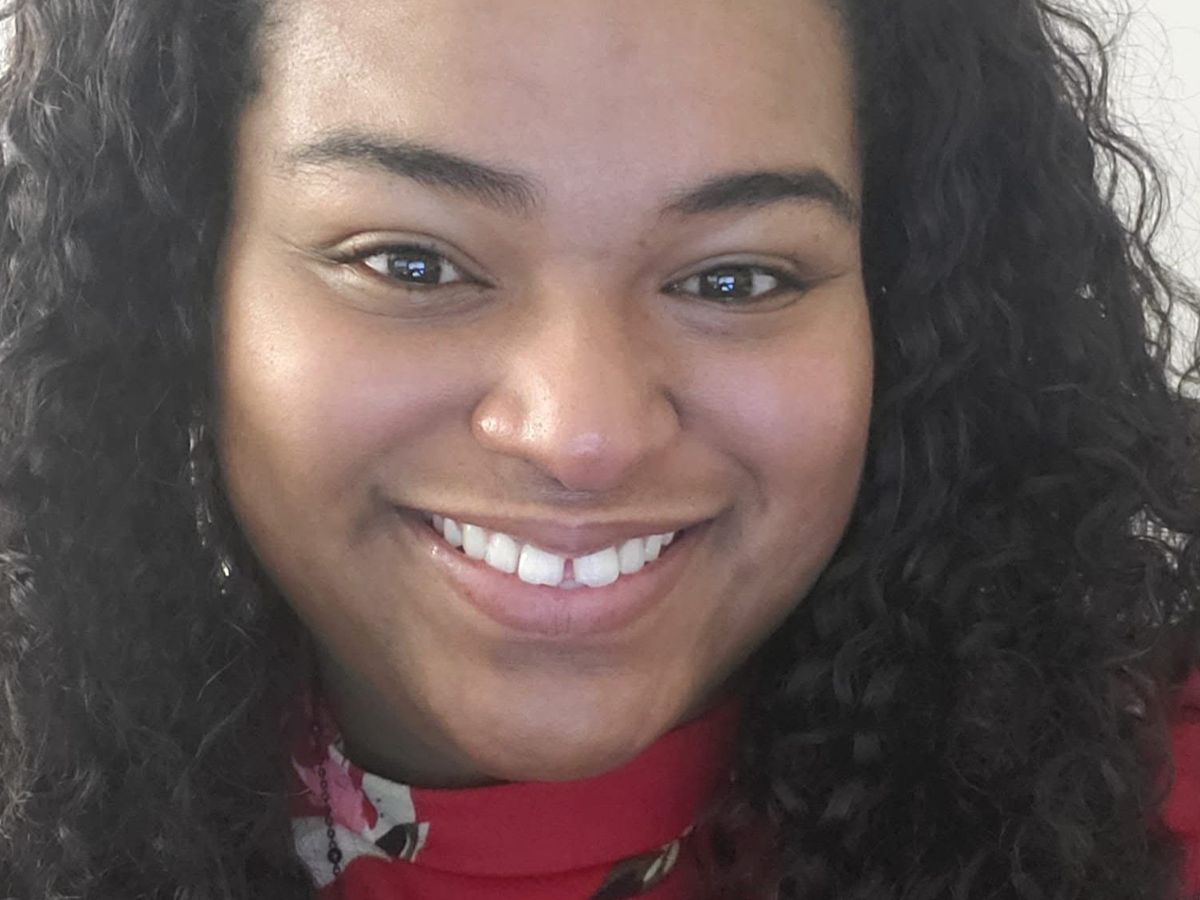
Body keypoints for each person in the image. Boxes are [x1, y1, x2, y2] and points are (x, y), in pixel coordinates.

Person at [0, 0, 1197, 897]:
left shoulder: (1152, 805)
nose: (583, 435)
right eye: (411, 263)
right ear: (179, 292)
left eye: (736, 278)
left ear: (910, 310)